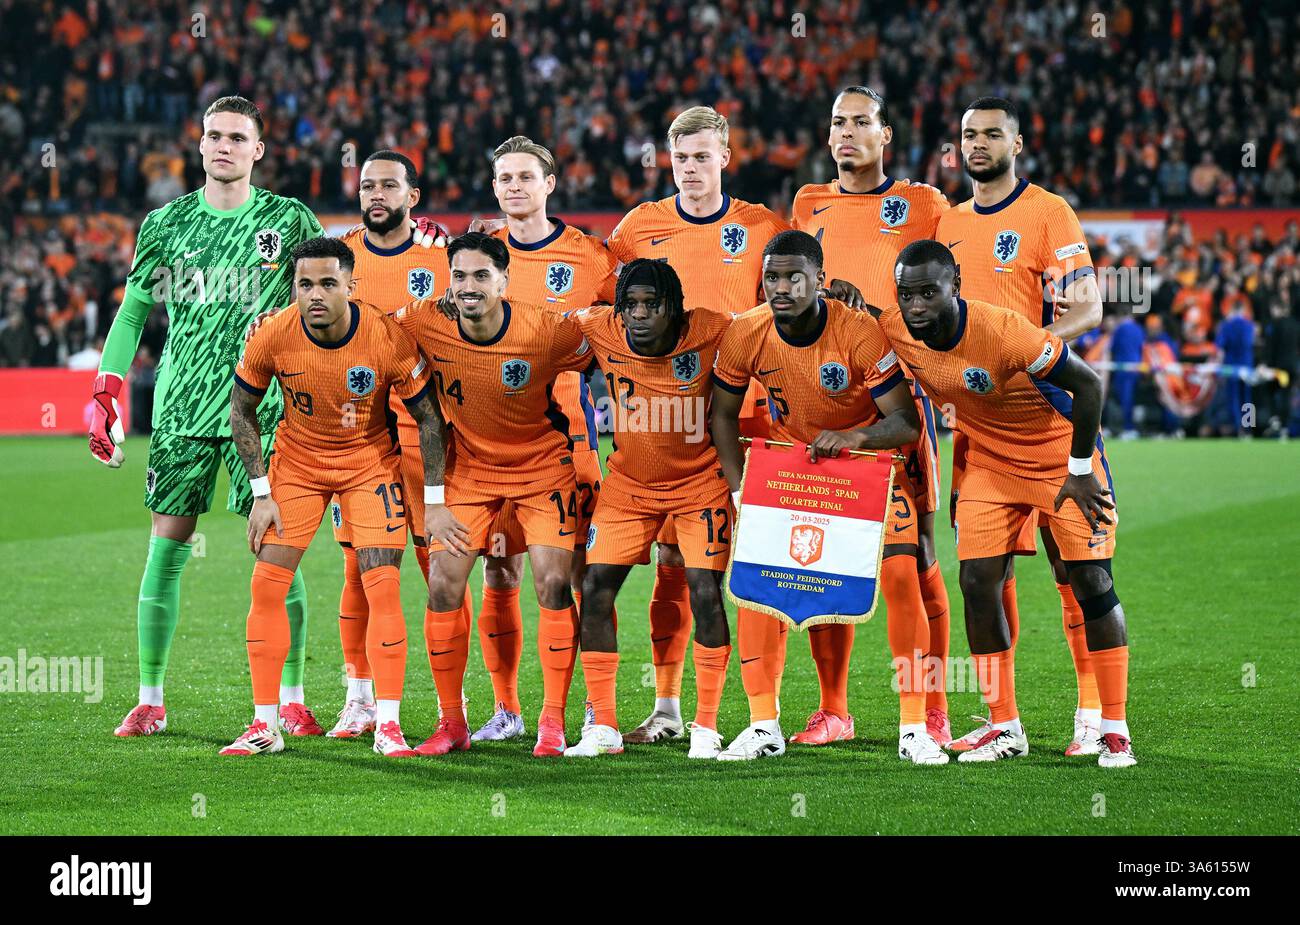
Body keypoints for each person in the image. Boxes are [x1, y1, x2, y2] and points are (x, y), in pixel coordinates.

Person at [90, 96, 326, 739]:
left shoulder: (289, 218)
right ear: (200, 146)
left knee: (280, 558)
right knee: (165, 550)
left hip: (264, 409)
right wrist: (107, 391)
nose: (224, 146)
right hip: (180, 409)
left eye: (237, 137)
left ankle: (293, 698)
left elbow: (324, 305)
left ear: (259, 149)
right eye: (214, 136)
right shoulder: (165, 224)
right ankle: (150, 698)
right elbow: (135, 313)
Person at [879, 239, 1134, 768]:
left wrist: (1081, 469)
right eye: (907, 295)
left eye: (929, 292)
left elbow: (1087, 386)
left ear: (957, 287)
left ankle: (1114, 729)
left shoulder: (1004, 330)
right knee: (976, 582)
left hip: (1058, 455)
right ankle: (1004, 726)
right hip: (991, 463)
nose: (917, 306)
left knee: (1092, 583)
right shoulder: (894, 329)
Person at [711, 230, 946, 765]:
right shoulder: (747, 333)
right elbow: (722, 414)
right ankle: (762, 724)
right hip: (794, 470)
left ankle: (915, 726)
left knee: (900, 577)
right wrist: (738, 488)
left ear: (820, 279)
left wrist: (856, 439)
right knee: (758, 584)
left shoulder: (859, 332)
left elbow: (906, 422)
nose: (782, 287)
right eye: (772, 276)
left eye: (795, 276)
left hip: (868, 468)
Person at [604, 105, 790, 744]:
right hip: (672, 428)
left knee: (760, 570)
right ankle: (667, 708)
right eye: (680, 158)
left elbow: (791, 307)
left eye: (702, 156)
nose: (690, 169)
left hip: (756, 420)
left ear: (725, 158)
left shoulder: (761, 226)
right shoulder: (637, 229)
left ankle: (765, 717)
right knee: (675, 567)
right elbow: (613, 315)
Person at [222, 236, 440, 758]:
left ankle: (387, 724)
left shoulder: (386, 337)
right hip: (296, 466)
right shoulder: (272, 334)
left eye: (326, 283)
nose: (314, 294)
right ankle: (264, 724)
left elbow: (430, 417)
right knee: (267, 587)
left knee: (382, 587)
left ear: (350, 285)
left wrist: (432, 499)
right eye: (304, 284)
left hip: (370, 464)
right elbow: (241, 411)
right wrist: (261, 493)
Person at [936, 97, 1106, 756]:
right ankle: (1002, 721)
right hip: (979, 432)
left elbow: (1088, 305)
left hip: (1049, 418)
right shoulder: (948, 223)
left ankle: (1092, 711)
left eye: (992, 134)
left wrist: (1028, 353)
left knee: (1074, 571)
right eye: (969, 135)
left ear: (1019, 143)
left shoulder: (1047, 212)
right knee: (980, 577)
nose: (978, 144)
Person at [790, 84, 955, 745]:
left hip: (898, 404)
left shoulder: (924, 204)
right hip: (824, 404)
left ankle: (933, 706)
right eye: (838, 123)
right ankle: (834, 709)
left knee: (914, 560)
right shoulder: (807, 203)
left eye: (862, 122)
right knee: (825, 563)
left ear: (887, 136)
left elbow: (948, 289)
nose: (848, 132)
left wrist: (879, 314)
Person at [392, 232, 595, 758]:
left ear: (505, 280)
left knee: (554, 584)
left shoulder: (547, 330)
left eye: (481, 275)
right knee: (442, 586)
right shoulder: (424, 320)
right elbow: (366, 325)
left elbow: (611, 353)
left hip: (542, 469)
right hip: (471, 473)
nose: (467, 286)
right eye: (458, 275)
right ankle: (452, 723)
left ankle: (553, 722)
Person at [470, 135, 620, 743]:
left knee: (569, 579)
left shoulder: (589, 257)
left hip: (566, 444)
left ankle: (592, 708)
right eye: (504, 178)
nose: (514, 187)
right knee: (499, 574)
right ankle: (507, 710)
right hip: (487, 446)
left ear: (549, 183)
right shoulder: (480, 255)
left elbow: (626, 332)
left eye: (525, 177)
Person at [565, 259, 735, 758]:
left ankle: (704, 727)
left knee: (705, 593)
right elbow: (539, 327)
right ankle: (603, 726)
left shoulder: (714, 331)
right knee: (594, 589)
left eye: (651, 305)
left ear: (674, 309)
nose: (639, 316)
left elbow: (771, 329)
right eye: (630, 306)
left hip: (699, 484)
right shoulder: (600, 328)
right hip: (629, 486)